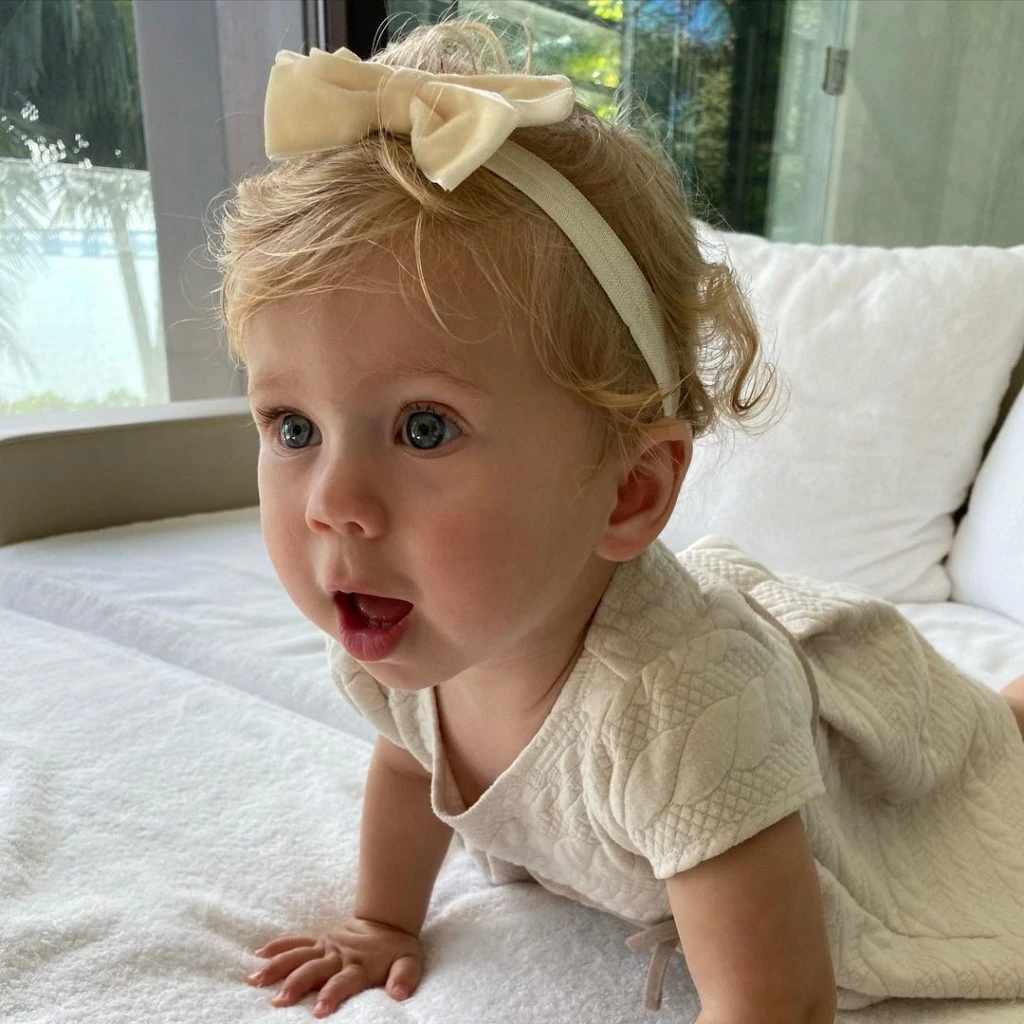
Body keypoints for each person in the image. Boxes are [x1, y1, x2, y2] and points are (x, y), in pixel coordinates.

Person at [216, 19, 1024, 1022]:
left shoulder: (679, 709)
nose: (332, 503)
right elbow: (409, 754)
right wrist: (382, 920)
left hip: (824, 749)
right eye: (292, 425)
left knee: (972, 757)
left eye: (425, 428)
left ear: (629, 490)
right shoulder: (403, 621)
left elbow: (778, 1000)